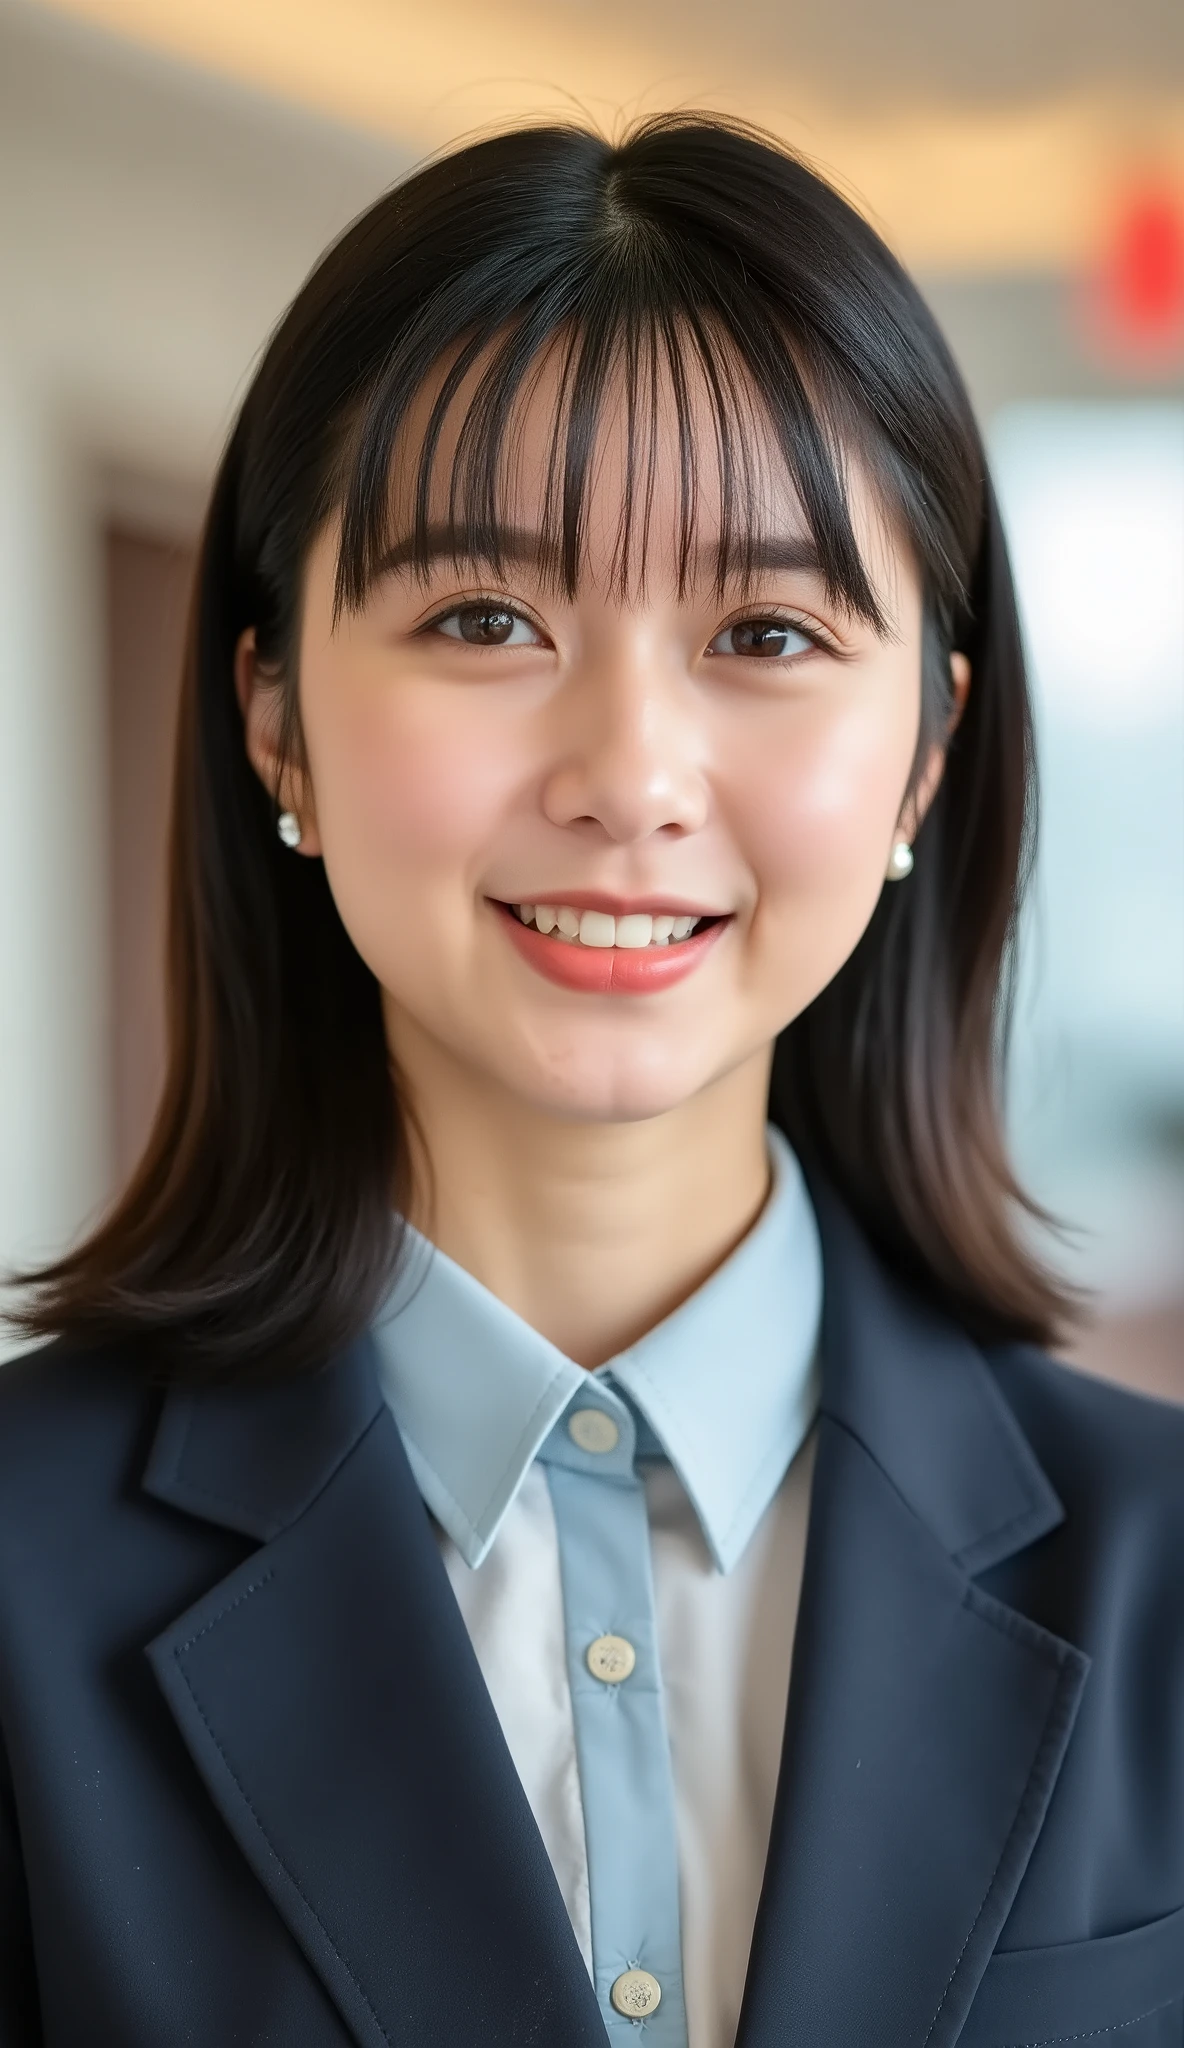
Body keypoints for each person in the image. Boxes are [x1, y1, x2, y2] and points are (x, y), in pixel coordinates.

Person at [1, 114, 1182, 2048]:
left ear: (926, 758)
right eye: (487, 620)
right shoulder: (19, 1583)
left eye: (768, 632)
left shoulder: (1162, 1576)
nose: (630, 774)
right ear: (272, 712)